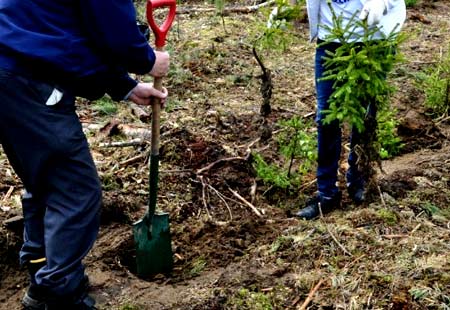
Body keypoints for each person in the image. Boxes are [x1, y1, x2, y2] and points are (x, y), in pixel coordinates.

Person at [0, 1, 170, 309]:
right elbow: (115, 37)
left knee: (43, 176)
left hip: (11, 69)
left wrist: (125, 87)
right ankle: (56, 293)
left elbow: (62, 31)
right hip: (28, 78)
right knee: (75, 189)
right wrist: (146, 60)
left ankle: (42, 263)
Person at [295, 0, 406, 220]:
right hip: (331, 39)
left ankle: (359, 180)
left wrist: (381, 2)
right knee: (326, 117)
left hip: (372, 40)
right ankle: (326, 193)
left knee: (365, 116)